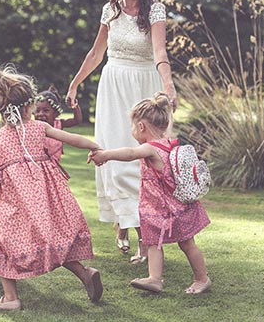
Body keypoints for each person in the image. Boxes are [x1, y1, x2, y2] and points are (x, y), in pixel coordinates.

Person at [66, 0, 178, 264]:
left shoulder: (156, 11)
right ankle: (122, 221)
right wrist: (75, 83)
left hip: (145, 85)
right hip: (113, 85)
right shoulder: (110, 10)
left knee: (145, 157)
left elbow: (160, 52)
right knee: (114, 153)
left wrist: (168, 85)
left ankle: (146, 239)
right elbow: (95, 53)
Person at [0, 65, 103, 311]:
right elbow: (72, 139)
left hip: (15, 202)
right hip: (46, 197)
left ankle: (10, 298)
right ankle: (85, 274)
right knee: (54, 237)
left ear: (2, 110)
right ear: (28, 107)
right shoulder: (40, 128)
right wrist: (95, 147)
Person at [89, 92, 211, 294]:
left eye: (132, 126)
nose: (132, 131)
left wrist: (105, 155)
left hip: (168, 209)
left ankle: (202, 279)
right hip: (164, 208)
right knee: (156, 242)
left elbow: (130, 153)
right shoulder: (168, 143)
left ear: (141, 126)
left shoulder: (150, 148)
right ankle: (155, 279)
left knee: (185, 244)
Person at [34, 85, 83, 162]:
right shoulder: (32, 127)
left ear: (55, 113)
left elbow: (77, 120)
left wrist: (74, 105)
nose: (40, 114)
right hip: (38, 164)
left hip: (55, 166)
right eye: (37, 111)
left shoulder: (59, 124)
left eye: (46, 110)